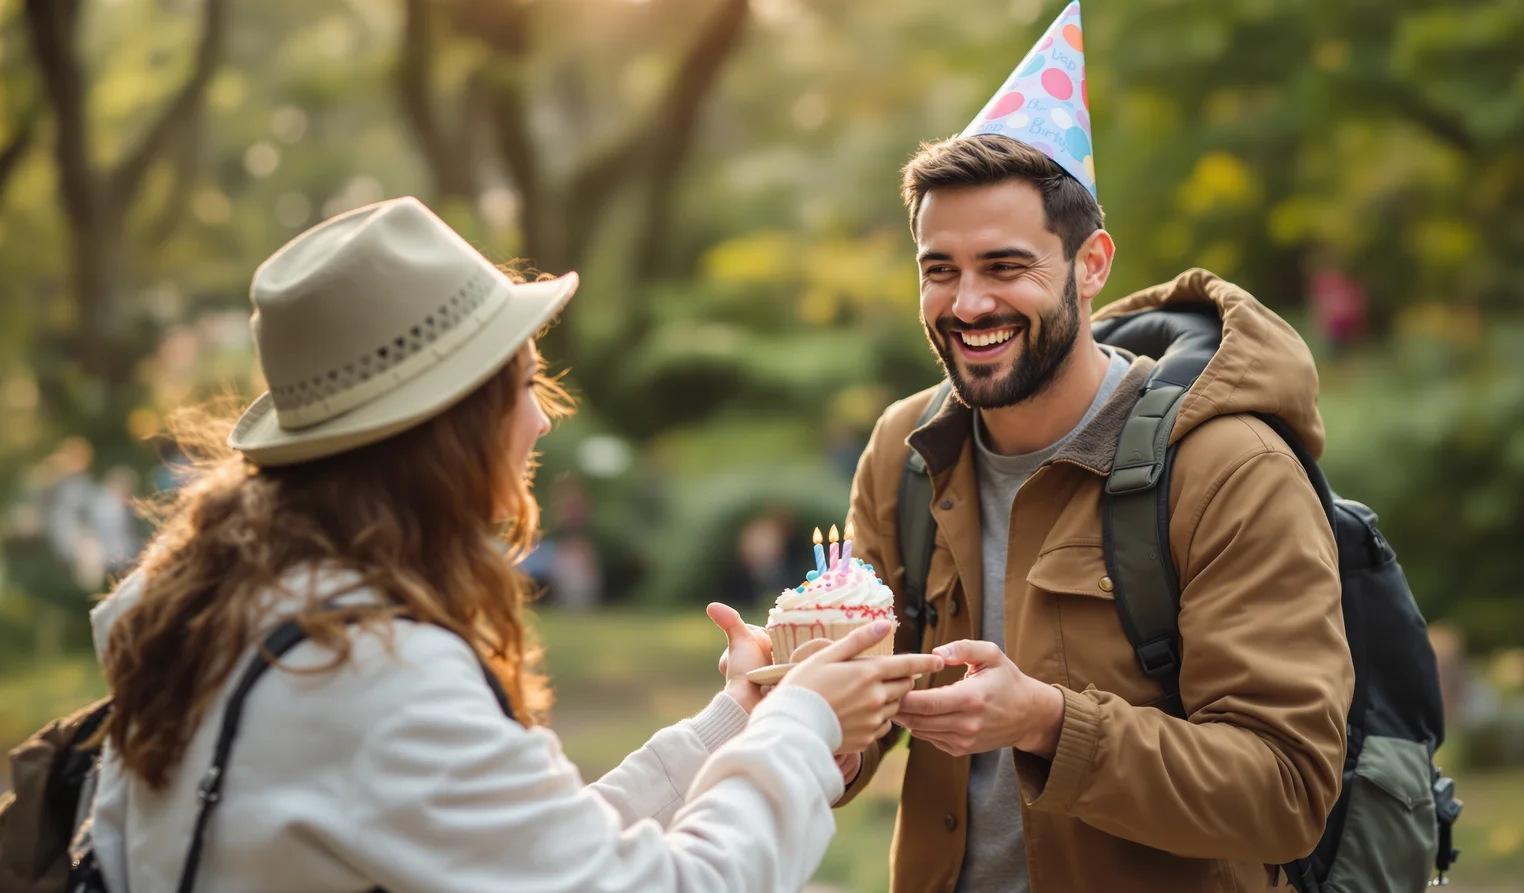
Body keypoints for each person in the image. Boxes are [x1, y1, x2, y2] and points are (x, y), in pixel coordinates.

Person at [86, 196, 943, 892]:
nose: (542, 416)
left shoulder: (243, 613)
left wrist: (736, 722)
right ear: (445, 428)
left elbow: (538, 850)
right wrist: (803, 723)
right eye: (526, 384)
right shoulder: (365, 671)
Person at [828, 6, 1352, 891]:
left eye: (1005, 266)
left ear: (1092, 262)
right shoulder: (904, 451)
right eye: (939, 269)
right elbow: (867, 717)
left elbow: (1286, 790)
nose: (966, 305)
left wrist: (1045, 722)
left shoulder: (1228, 467)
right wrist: (797, 711)